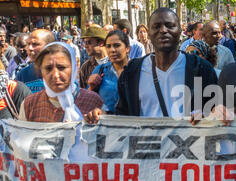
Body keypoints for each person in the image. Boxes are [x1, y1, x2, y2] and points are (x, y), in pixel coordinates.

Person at [84, 8, 218, 123]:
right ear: (150, 33)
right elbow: (123, 115)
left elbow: (217, 110)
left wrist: (209, 115)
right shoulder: (132, 72)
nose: (163, 30)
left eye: (170, 25)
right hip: (146, 151)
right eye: (157, 26)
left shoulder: (201, 69)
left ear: (179, 31)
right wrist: (103, 116)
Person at [18, 42, 103, 122]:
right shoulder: (30, 104)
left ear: (74, 67)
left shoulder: (93, 102)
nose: (55, 75)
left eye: (61, 67)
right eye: (48, 68)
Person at [87, 30, 129, 114]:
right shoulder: (99, 71)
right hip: (107, 123)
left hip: (134, 123)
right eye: (108, 46)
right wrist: (91, 87)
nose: (112, 50)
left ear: (127, 48)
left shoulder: (137, 70)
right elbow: (88, 100)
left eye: (117, 45)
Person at [15, 29, 55, 93]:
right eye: (28, 44)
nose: (30, 48)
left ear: (49, 46)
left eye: (35, 44)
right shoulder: (22, 75)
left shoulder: (60, 72)